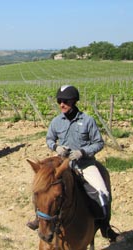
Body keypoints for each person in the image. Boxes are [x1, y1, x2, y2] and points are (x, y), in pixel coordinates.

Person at [27, 85, 120, 243]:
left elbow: (98, 143)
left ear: (74, 101)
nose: (62, 104)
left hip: (84, 163)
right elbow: (49, 139)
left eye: (65, 101)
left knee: (102, 192)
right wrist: (56, 147)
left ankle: (105, 226)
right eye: (59, 101)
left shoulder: (87, 121)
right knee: (44, 189)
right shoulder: (56, 122)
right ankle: (40, 218)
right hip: (62, 164)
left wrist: (82, 152)